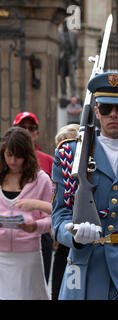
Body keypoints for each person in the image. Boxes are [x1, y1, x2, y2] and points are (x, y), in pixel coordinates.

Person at [51, 72, 118, 300]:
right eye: (106, 108)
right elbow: (60, 214)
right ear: (96, 111)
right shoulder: (70, 153)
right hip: (85, 265)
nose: (113, 114)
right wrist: (71, 233)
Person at [0, 127, 52, 300]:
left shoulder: (41, 179)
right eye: (9, 154)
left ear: (27, 155)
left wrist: (35, 226)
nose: (13, 160)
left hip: (29, 256)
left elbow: (54, 216)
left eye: (18, 156)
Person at [13, 111, 54, 284]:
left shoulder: (49, 161)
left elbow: (57, 199)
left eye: (32, 128)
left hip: (39, 231)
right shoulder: (5, 162)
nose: (28, 132)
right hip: (9, 229)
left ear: (37, 132)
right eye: (23, 128)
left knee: (38, 284)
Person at [50, 123, 79, 300]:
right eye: (59, 145)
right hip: (65, 244)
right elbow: (57, 207)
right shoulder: (59, 171)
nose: (64, 152)